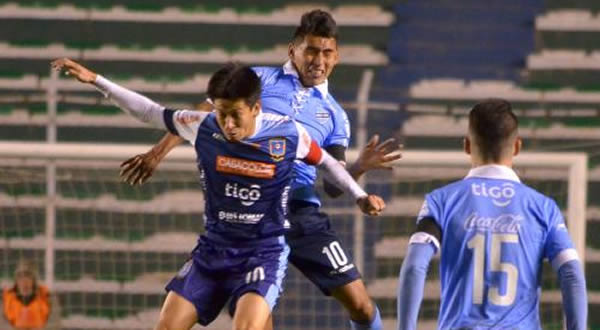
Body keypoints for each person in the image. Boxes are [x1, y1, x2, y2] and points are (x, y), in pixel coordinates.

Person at [51, 58, 385, 330]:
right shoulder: (204, 124)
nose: (227, 124)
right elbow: (152, 113)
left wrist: (358, 195)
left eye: (234, 114)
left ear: (255, 108)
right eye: (221, 113)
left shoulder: (288, 134)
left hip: (263, 252)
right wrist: (97, 80)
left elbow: (326, 161)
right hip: (213, 250)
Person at [120, 10, 400, 330]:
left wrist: (359, 168)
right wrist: (158, 153)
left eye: (327, 52)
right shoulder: (258, 80)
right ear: (292, 49)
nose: (318, 60)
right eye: (310, 50)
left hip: (300, 211)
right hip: (251, 207)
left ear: (337, 56)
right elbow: (200, 117)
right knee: (251, 315)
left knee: (361, 305)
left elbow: (333, 185)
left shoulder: (336, 117)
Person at [396, 99, 588, 330]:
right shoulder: (543, 207)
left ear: (467, 145)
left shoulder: (440, 201)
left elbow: (415, 266)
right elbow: (572, 274)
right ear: (517, 146)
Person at [2, 260, 50, 330]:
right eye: (20, 276)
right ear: (16, 280)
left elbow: (55, 325)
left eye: (28, 276)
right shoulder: (6, 299)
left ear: (34, 280)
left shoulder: (47, 297)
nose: (24, 281)